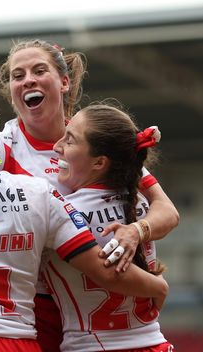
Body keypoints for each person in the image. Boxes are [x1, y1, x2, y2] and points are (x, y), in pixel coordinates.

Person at [0, 39, 179, 351]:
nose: (28, 80)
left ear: (64, 82)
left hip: (103, 303)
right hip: (33, 308)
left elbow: (167, 211)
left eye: (38, 70)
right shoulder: (1, 145)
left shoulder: (95, 139)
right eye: (17, 76)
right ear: (10, 91)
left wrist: (136, 230)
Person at [46, 103, 174, 351]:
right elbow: (170, 213)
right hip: (155, 343)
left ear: (99, 163)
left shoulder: (62, 210)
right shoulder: (143, 202)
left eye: (70, 141)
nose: (56, 146)